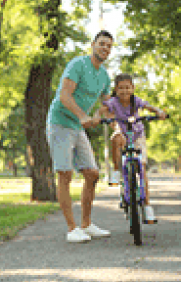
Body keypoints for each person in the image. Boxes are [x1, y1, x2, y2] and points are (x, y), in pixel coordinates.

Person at [46, 30, 114, 243]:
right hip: (60, 122)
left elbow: (107, 104)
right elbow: (64, 95)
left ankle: (86, 224)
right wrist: (83, 116)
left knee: (92, 174)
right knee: (65, 173)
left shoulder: (104, 76)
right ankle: (72, 228)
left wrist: (100, 117)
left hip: (77, 125)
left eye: (109, 46)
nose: (105, 48)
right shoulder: (78, 65)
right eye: (102, 44)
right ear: (93, 44)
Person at [99, 73, 167, 224]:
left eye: (127, 87)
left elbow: (148, 106)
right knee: (115, 138)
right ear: (116, 89)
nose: (124, 91)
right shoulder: (112, 102)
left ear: (133, 88)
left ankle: (148, 206)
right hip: (122, 135)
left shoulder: (135, 101)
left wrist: (158, 112)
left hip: (137, 136)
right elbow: (102, 110)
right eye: (121, 88)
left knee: (141, 167)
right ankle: (116, 171)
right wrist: (97, 116)